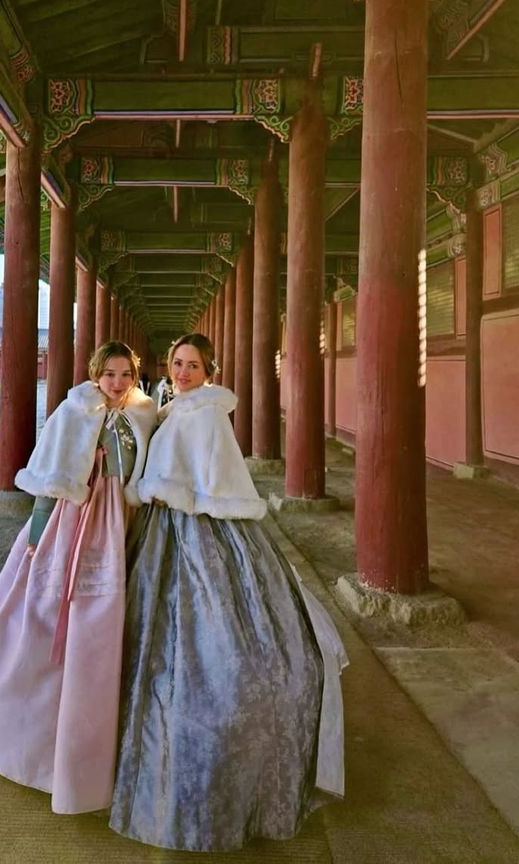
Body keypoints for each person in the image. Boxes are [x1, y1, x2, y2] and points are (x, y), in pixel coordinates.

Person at [109, 333, 348, 853]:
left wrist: (176, 498)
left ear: (209, 369)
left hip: (200, 528)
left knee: (215, 641)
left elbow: (217, 480)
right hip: (163, 528)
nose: (184, 371)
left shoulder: (207, 415)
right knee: (151, 640)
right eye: (177, 363)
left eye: (193, 364)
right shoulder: (174, 409)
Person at [0, 341, 156, 815]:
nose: (117, 383)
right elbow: (50, 480)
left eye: (125, 374)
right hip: (70, 523)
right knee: (53, 609)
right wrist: (34, 537)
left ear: (135, 376)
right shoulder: (73, 411)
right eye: (109, 374)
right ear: (96, 373)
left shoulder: (144, 414)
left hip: (122, 521)